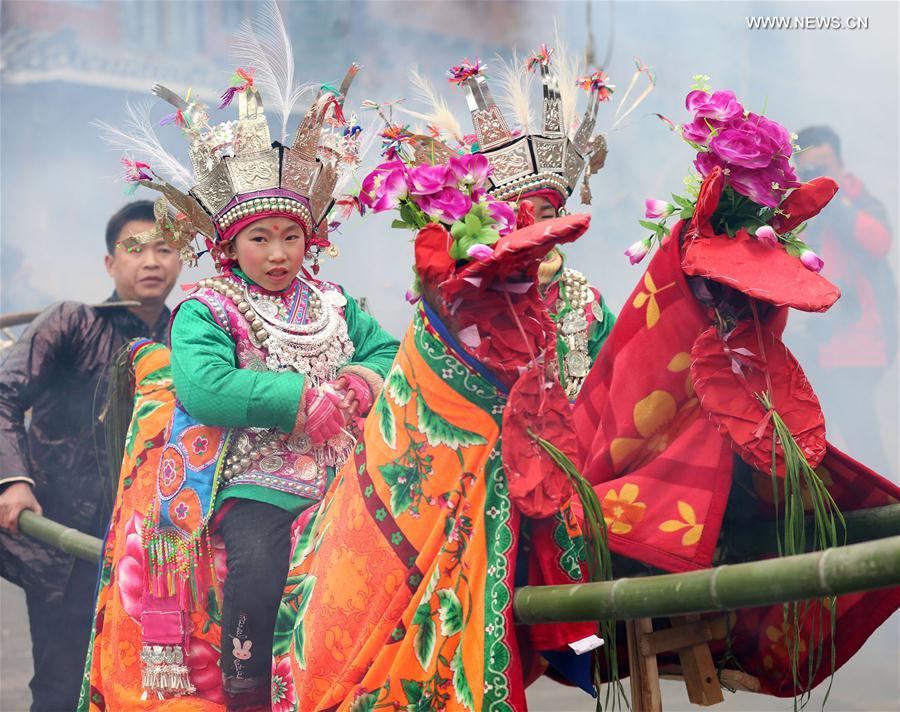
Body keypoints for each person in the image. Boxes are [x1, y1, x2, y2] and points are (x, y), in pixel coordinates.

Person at [79, 27, 399, 708]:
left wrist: (357, 382)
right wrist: (296, 398)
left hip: (349, 468)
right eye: (260, 238)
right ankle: (247, 689)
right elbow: (204, 386)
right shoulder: (207, 308)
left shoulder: (336, 302)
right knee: (257, 565)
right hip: (258, 478)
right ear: (230, 247)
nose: (278, 252)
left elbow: (387, 351)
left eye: (291, 236)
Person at [0, 200, 182, 712]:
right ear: (110, 263)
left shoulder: (192, 337)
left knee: (154, 691)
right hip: (68, 542)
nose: (151, 260)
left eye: (164, 248)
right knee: (61, 687)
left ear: (181, 261)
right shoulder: (71, 323)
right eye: (135, 248)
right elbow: (4, 396)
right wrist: (14, 479)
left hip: (161, 551)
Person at [793, 125, 897, 474]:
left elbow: (880, 241)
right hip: (816, 345)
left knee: (862, 437)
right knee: (825, 443)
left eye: (824, 164)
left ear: (840, 164)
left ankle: (887, 508)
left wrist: (832, 201)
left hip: (859, 342)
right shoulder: (798, 210)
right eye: (809, 168)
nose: (817, 174)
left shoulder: (860, 200)